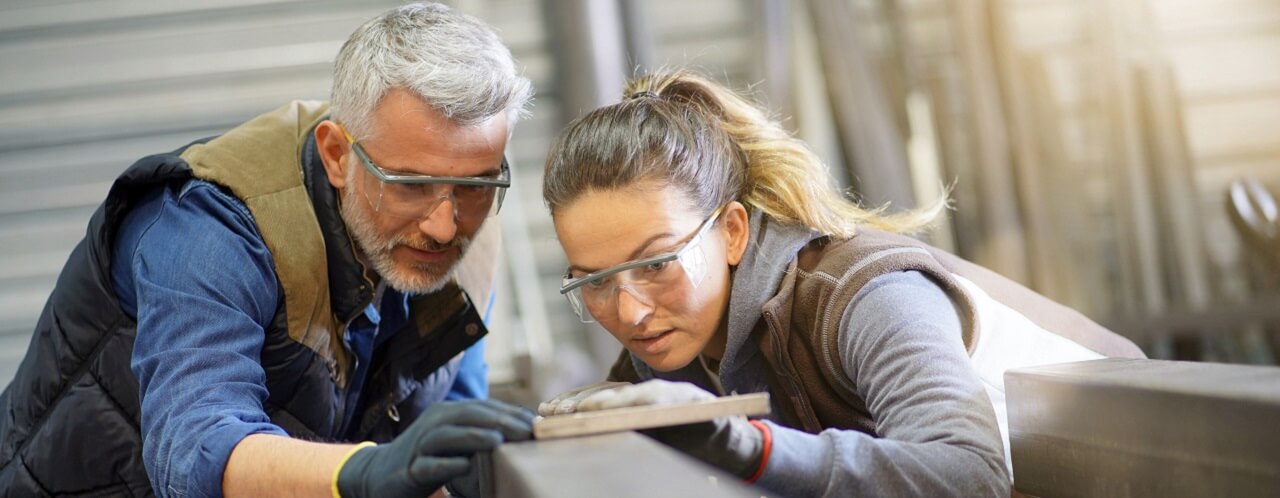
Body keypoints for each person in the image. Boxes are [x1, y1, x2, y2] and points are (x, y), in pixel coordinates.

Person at [0, 3, 535, 497]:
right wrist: (367, 472)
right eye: (410, 184)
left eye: (475, 185)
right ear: (335, 155)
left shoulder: (472, 234)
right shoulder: (210, 230)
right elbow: (193, 452)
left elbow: (456, 424)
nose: (445, 228)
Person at [538, 70, 1146, 497]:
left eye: (654, 263)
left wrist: (751, 446)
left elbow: (968, 474)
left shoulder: (866, 297)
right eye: (592, 282)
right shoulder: (673, 340)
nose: (630, 311)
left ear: (730, 231)